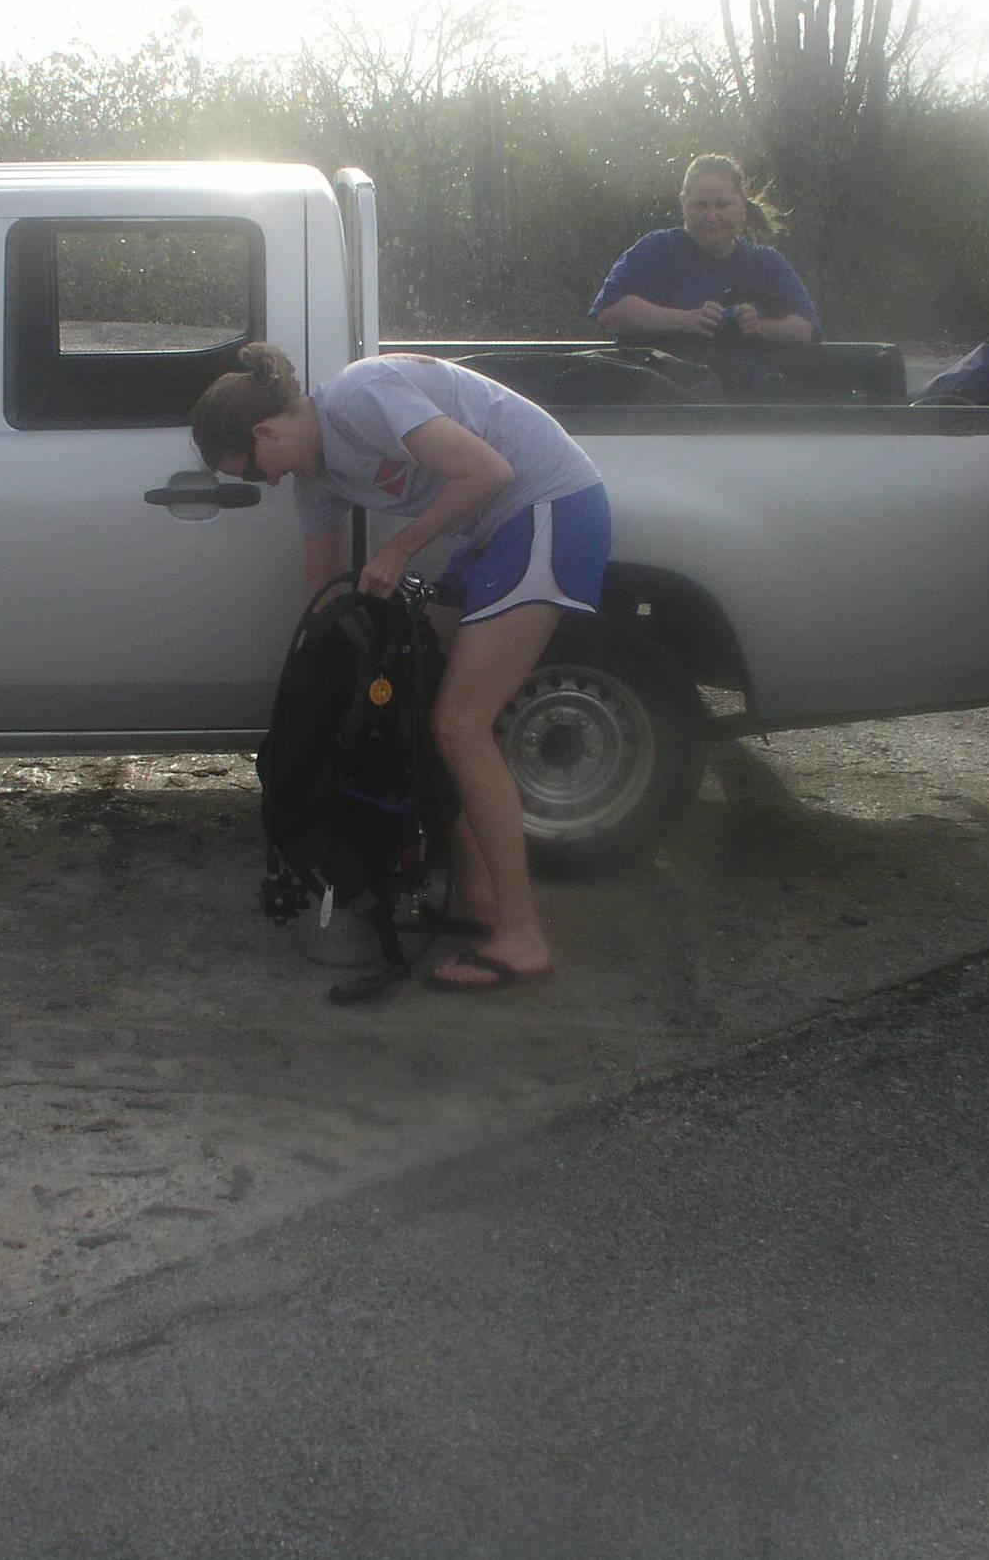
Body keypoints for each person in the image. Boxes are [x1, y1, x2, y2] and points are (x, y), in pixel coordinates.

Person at [191, 344, 611, 993]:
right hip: (494, 531)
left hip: (548, 505)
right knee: (417, 706)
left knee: (459, 724)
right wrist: (325, 688)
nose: (267, 482)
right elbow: (323, 593)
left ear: (265, 430)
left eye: (255, 470)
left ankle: (522, 936)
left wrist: (400, 547)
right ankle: (475, 894)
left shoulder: (360, 396)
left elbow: (487, 469)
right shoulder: (317, 479)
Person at [590, 154, 818, 384]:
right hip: (667, 400)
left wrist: (759, 327)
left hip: (749, 402)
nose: (711, 216)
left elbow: (805, 329)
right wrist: (686, 320)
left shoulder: (766, 262)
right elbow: (610, 311)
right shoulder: (658, 250)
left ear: (741, 204)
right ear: (684, 203)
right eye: (701, 205)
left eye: (722, 205)